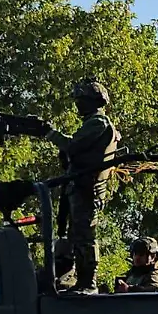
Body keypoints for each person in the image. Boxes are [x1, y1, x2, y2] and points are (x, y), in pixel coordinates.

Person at [46, 78, 122, 296]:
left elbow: (73, 145)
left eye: (81, 99)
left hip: (87, 189)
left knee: (85, 236)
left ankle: (88, 283)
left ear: (93, 101)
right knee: (75, 236)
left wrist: (50, 133)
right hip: (78, 188)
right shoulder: (91, 123)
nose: (77, 104)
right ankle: (75, 279)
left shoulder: (99, 123)